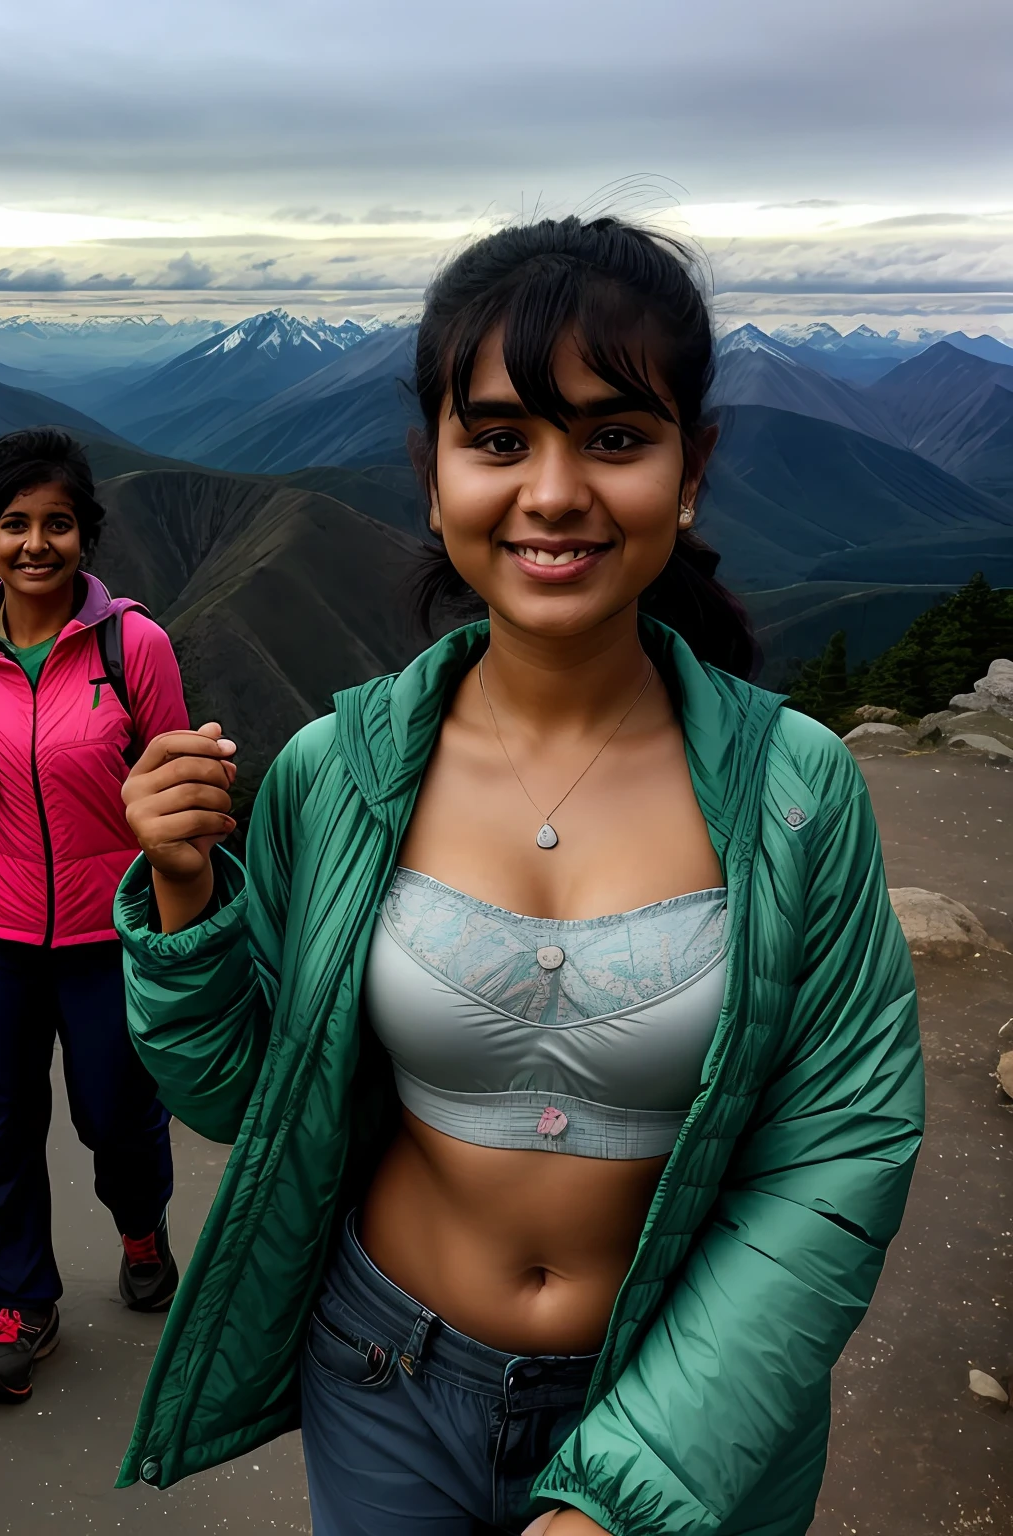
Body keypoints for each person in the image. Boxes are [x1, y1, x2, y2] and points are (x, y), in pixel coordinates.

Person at [114, 217, 924, 1535]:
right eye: (498, 441)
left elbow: (835, 1159)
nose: (553, 491)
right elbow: (250, 1101)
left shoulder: (797, 792)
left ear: (692, 468)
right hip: (385, 1378)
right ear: (433, 477)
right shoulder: (339, 773)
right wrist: (186, 898)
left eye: (615, 437)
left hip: (682, 1403)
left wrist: (625, 1495)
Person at [0, 428, 189, 1404]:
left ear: (84, 536)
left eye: (56, 524)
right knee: (5, 1125)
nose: (35, 544)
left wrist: (187, 907)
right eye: (14, 524)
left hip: (108, 936)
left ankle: (140, 1223)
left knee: (118, 1117)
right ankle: (19, 1305)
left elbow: (177, 780)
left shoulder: (130, 646)